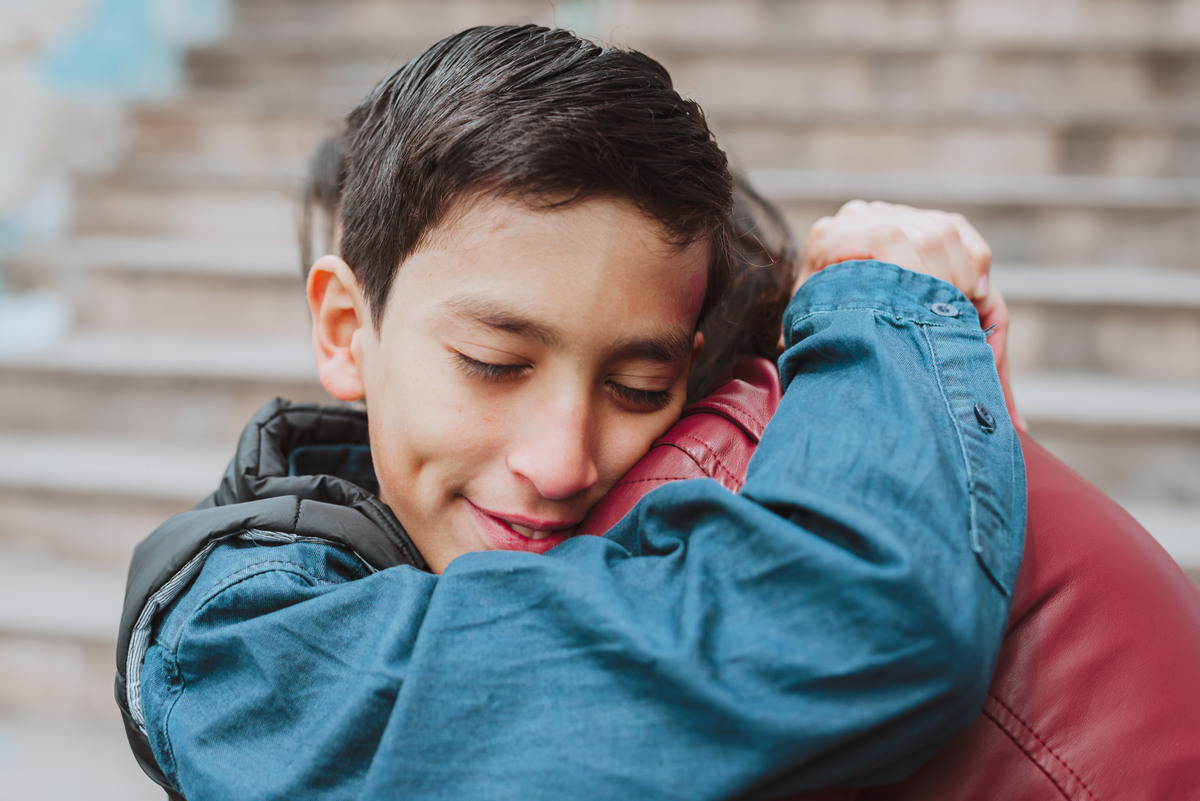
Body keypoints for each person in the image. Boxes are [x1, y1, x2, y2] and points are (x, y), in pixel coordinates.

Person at [115, 25, 1024, 800]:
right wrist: (889, 308)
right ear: (346, 327)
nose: (562, 464)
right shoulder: (242, 651)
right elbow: (862, 617)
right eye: (495, 364)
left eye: (637, 387)